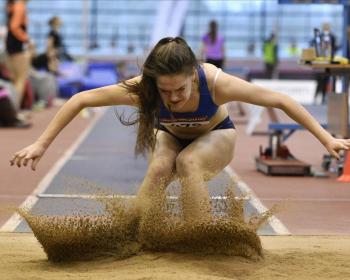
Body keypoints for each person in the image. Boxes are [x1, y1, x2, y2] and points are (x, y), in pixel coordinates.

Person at [10, 37, 350, 222]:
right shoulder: (143, 86)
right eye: (165, 91)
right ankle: (137, 232)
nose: (172, 98)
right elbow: (80, 100)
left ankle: (198, 236)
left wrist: (326, 138)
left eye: (180, 90)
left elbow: (280, 100)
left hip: (216, 135)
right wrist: (42, 143)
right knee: (160, 165)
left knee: (189, 163)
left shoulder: (217, 82)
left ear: (192, 76)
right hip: (171, 136)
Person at [5, 0, 31, 110]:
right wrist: (26, 38)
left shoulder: (13, 6)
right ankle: (15, 110)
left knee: (16, 79)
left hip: (11, 45)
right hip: (16, 45)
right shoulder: (20, 6)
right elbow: (14, 26)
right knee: (21, 79)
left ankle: (13, 109)